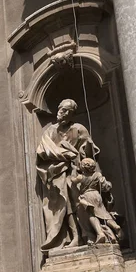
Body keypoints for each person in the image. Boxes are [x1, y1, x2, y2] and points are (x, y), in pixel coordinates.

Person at [36, 99, 99, 251]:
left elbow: (88, 155)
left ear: (72, 114)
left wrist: (80, 153)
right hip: (58, 173)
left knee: (80, 202)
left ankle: (90, 234)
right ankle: (76, 236)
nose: (61, 113)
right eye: (60, 109)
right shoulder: (50, 131)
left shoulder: (79, 129)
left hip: (77, 172)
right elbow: (43, 151)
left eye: (66, 111)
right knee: (66, 204)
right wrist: (66, 154)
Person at [73, 158, 123, 244]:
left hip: (87, 196)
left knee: (91, 214)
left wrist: (73, 172)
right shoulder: (97, 175)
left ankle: (100, 234)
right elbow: (105, 185)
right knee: (104, 214)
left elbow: (73, 181)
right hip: (97, 195)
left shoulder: (81, 177)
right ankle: (115, 225)